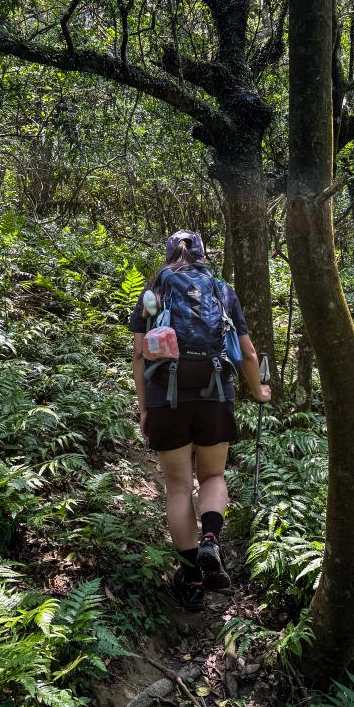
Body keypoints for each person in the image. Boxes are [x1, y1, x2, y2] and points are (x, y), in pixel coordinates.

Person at [130, 229, 271, 611]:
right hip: (215, 395)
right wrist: (258, 391)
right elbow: (247, 351)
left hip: (166, 399)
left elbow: (140, 356)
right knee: (212, 476)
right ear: (204, 255)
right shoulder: (222, 290)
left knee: (178, 488)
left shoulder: (154, 290)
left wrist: (144, 409)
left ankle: (191, 577)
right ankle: (211, 537)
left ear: (167, 253)